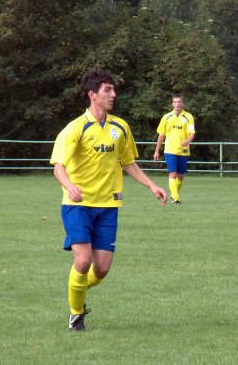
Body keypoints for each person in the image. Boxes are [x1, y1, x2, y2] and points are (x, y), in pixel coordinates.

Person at [50, 69, 168, 331]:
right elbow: (58, 166)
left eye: (113, 90)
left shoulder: (120, 127)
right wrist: (70, 186)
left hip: (108, 206)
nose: (113, 94)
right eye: (107, 90)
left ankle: (75, 288)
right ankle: (76, 313)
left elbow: (128, 163)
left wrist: (152, 185)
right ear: (92, 95)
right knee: (82, 261)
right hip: (77, 205)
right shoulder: (74, 129)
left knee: (101, 269)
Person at [153, 93, 196, 205]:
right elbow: (161, 135)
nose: (177, 104)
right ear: (172, 104)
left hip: (183, 151)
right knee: (173, 173)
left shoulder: (189, 117)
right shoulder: (166, 117)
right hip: (170, 150)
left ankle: (173, 195)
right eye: (175, 102)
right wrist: (157, 150)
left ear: (183, 103)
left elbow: (192, 133)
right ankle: (175, 198)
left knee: (180, 176)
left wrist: (188, 141)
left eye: (179, 102)